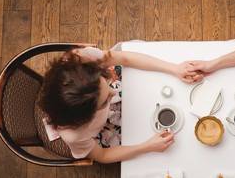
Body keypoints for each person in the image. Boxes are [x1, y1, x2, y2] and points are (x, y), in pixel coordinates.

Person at [39, 46, 203, 163]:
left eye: (106, 83)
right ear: (86, 118)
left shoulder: (82, 60)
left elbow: (125, 58)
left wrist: (174, 68)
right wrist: (147, 147)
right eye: (105, 101)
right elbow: (102, 156)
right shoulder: (74, 134)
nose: (115, 93)